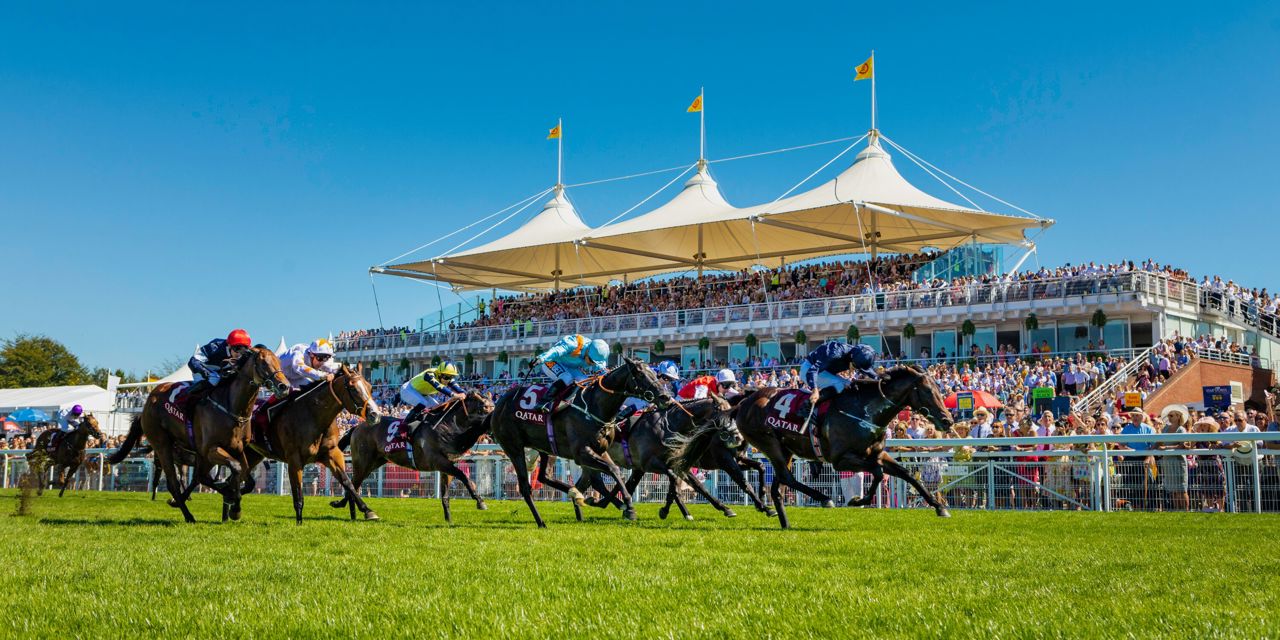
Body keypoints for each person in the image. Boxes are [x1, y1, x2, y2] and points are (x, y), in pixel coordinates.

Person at [531, 335, 610, 411]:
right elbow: (555, 351)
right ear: (587, 351)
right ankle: (543, 403)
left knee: (585, 381)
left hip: (571, 368)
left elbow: (602, 371)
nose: (592, 364)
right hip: (552, 361)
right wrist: (541, 358)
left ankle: (572, 404)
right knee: (567, 377)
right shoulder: (573, 344)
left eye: (595, 363)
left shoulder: (596, 356)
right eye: (592, 361)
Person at [801, 341, 877, 407]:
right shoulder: (835, 353)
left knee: (850, 385)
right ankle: (807, 406)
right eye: (855, 366)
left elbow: (874, 377)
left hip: (825, 372)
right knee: (839, 384)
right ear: (851, 357)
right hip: (809, 369)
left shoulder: (858, 357)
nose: (856, 369)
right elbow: (813, 370)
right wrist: (815, 390)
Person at [186, 329, 253, 398]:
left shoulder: (246, 355)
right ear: (229, 345)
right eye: (237, 349)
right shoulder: (214, 347)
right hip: (204, 370)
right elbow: (192, 362)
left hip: (221, 372)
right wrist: (204, 372)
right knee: (214, 378)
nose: (239, 353)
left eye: (243, 350)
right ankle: (188, 396)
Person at [400, 362, 466, 426]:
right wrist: (454, 395)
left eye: (452, 377)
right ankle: (403, 426)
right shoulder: (429, 374)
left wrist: (466, 394)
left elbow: (459, 389)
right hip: (407, 389)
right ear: (440, 374)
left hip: (422, 393)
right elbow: (438, 386)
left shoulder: (446, 377)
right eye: (447, 377)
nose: (449, 380)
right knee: (423, 403)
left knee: (437, 408)